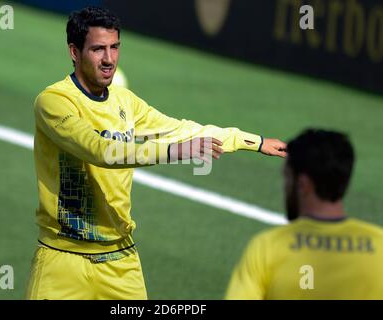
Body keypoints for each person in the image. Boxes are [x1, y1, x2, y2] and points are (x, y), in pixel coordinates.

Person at [26, 6, 287, 300]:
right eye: (98, 49)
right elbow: (100, 151)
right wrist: (175, 152)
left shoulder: (126, 102)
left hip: (120, 262)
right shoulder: (54, 102)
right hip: (62, 261)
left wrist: (252, 141)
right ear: (74, 52)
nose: (109, 59)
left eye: (115, 47)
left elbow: (181, 129)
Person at [225, 129, 383, 300]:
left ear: (302, 184)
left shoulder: (268, 248)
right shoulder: (378, 244)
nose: (284, 187)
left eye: (286, 178)